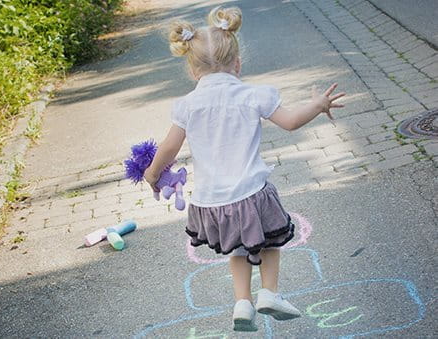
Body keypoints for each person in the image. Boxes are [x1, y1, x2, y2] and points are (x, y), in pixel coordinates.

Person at [144, 5, 345, 332]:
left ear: (193, 72)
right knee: (269, 242)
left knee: (237, 250)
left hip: (212, 205)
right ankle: (269, 293)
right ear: (237, 64)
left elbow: (168, 149)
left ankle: (242, 303)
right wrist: (317, 105)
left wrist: (152, 175)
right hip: (252, 194)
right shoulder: (254, 95)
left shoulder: (186, 106)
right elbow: (292, 122)